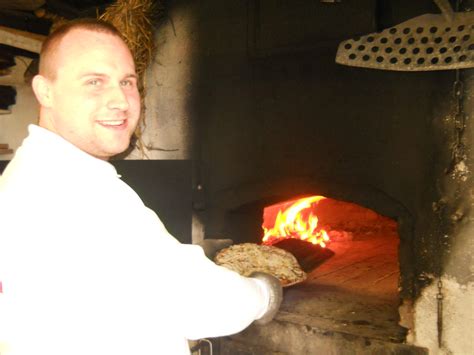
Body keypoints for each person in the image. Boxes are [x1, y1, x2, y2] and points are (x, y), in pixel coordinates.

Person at [0, 19, 282, 355]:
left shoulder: (31, 171)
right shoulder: (74, 192)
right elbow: (202, 302)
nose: (120, 100)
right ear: (45, 90)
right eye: (94, 82)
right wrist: (265, 292)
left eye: (127, 82)